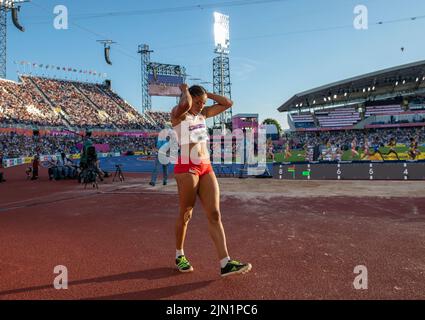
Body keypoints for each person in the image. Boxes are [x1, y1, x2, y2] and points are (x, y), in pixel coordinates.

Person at [171, 83, 252, 277]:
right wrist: (185, 91)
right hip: (186, 167)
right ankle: (179, 255)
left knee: (215, 214)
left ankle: (225, 263)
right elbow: (186, 104)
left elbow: (227, 103)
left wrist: (207, 95)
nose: (200, 106)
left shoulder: (203, 114)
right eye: (198, 102)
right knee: (186, 213)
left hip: (205, 166)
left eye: (203, 102)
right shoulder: (178, 114)